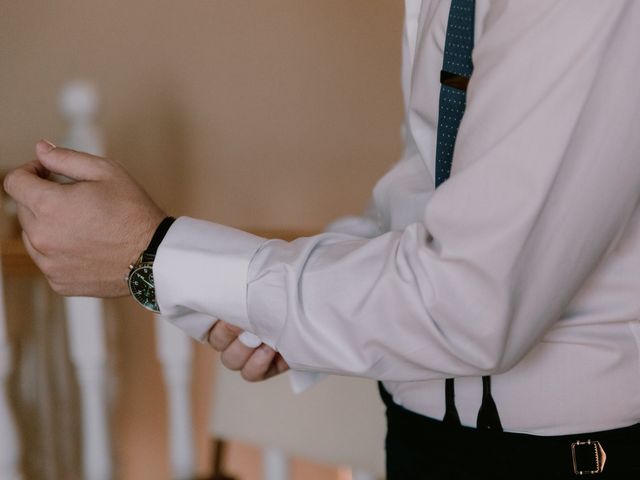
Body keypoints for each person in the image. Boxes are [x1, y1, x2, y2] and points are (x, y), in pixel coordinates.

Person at [5, 0, 640, 477]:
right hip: (421, 441)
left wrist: (156, 255)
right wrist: (235, 299)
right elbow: (417, 210)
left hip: (565, 459)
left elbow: (467, 304)